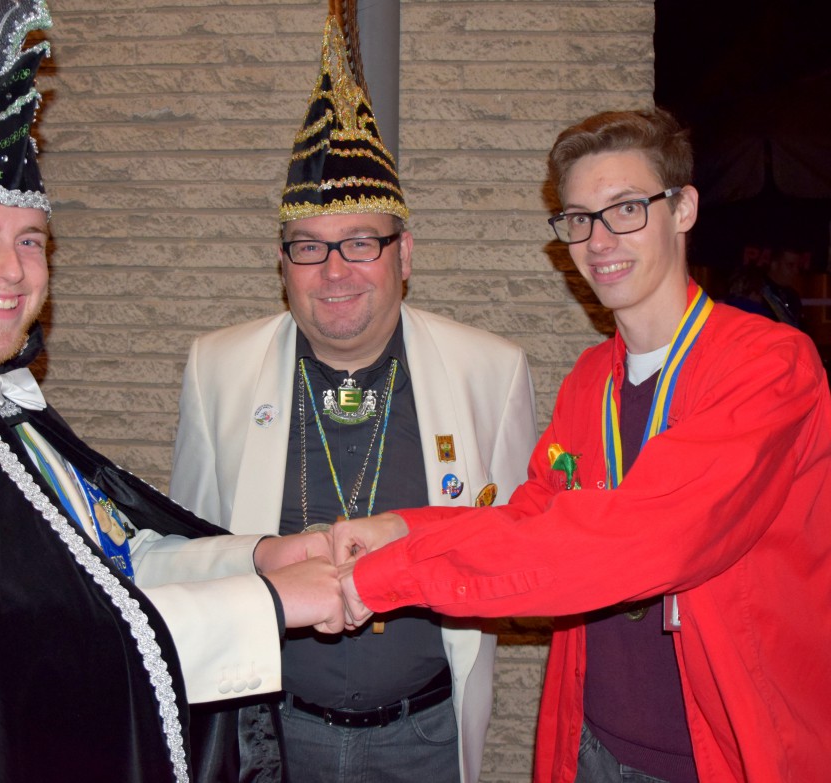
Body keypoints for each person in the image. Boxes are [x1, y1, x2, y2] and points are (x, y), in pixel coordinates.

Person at [0, 3, 344, 781]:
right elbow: (7, 667)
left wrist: (256, 559)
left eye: (29, 240)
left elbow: (109, 558)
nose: (11, 271)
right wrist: (265, 606)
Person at [332, 108, 831, 783]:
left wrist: (386, 578)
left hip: (718, 755)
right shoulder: (590, 379)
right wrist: (399, 528)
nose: (599, 240)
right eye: (578, 218)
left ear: (682, 208)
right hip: (592, 743)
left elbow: (644, 541)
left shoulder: (769, 368)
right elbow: (533, 517)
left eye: (625, 208)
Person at [169, 13, 538, 783]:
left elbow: (516, 552)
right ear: (283, 262)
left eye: (361, 242)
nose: (335, 270)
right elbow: (189, 560)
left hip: (426, 737)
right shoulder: (217, 369)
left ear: (405, 254)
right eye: (309, 247)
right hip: (270, 734)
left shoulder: (490, 372)